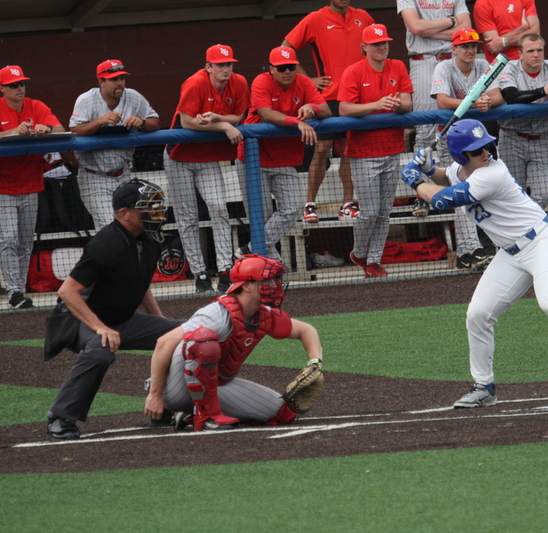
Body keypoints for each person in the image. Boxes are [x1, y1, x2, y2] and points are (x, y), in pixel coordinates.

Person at [400, 119, 548, 407]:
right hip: (511, 253)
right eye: (476, 149)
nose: (486, 151)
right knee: (478, 315)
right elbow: (450, 177)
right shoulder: (465, 169)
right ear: (461, 155)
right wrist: (430, 169)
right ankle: (484, 387)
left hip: (544, 241)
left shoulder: (492, 173)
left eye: (486, 144)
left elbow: (443, 199)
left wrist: (414, 179)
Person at [46, 179, 184, 440]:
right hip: (77, 320)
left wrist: (161, 323)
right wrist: (100, 327)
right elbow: (67, 292)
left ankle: (165, 405)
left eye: (157, 206)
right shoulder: (106, 243)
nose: (156, 212)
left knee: (187, 334)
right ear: (125, 213)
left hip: (120, 319)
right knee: (101, 349)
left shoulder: (151, 237)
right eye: (148, 207)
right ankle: (61, 416)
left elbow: (139, 283)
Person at [144, 254, 323, 431]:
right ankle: (206, 416)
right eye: (266, 280)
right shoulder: (216, 314)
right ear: (246, 285)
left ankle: (189, 412)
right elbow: (164, 342)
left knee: (283, 413)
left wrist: (315, 361)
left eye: (273, 280)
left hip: (215, 384)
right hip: (177, 388)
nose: (273, 285)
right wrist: (155, 394)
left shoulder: (264, 314)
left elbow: (306, 330)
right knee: (202, 341)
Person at [165, 44, 248, 293]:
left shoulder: (239, 82)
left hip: (208, 157)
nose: (226, 69)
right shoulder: (195, 83)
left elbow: (240, 116)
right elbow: (186, 121)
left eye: (229, 64)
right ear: (208, 67)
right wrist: (224, 126)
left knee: (219, 209)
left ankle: (225, 271)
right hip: (179, 155)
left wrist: (218, 119)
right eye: (220, 65)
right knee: (188, 217)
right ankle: (200, 274)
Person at [282, 0, 375, 223]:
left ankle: (347, 205)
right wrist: (306, 80)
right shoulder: (315, 18)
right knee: (322, 149)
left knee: (348, 151)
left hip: (355, 97)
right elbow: (285, 48)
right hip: (329, 97)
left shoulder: (364, 16)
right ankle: (309, 205)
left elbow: (375, 49)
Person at [235, 47, 331, 262]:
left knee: (295, 207)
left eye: (291, 67)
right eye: (281, 68)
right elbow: (266, 114)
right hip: (253, 157)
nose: (287, 71)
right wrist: (297, 122)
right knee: (261, 216)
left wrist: (311, 107)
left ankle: (251, 248)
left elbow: (327, 111)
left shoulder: (304, 83)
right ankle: (272, 267)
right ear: (272, 69)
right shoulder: (261, 81)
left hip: (284, 157)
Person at [339, 24, 413, 278]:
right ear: (364, 47)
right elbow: (345, 109)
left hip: (392, 147)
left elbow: (408, 103)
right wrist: (376, 104)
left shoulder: (398, 66)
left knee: (384, 212)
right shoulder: (354, 71)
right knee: (369, 211)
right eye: (376, 44)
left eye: (384, 43)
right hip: (363, 151)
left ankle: (373, 260)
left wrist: (396, 105)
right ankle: (359, 252)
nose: (381, 47)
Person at [430, 28, 501, 270]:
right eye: (465, 46)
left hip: (476, 141)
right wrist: (473, 102)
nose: (471, 50)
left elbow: (498, 96)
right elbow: (443, 100)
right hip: (450, 137)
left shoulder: (483, 65)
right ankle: (471, 248)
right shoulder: (444, 67)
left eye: (474, 46)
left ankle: (470, 251)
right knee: (460, 193)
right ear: (454, 49)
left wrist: (488, 101)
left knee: (474, 192)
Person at [489, 33, 548, 209]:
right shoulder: (510, 68)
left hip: (540, 139)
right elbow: (511, 96)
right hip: (512, 138)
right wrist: (544, 91)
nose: (536, 54)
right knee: (514, 195)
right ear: (521, 53)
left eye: (539, 50)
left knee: (545, 194)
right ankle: (520, 234)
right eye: (530, 51)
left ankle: (527, 227)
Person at [0, 65, 65, 309]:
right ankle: (14, 292)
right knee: (8, 239)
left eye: (22, 84)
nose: (19, 88)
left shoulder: (36, 106)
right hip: (3, 185)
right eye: (14, 85)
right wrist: (11, 132)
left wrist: (45, 129)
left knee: (25, 241)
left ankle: (20, 289)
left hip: (31, 182)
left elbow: (60, 130)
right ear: (2, 88)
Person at [397, 0, 471, 217]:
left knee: (454, 130)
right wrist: (450, 23)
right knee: (424, 130)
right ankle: (420, 195)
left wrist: (429, 31)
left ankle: (454, 188)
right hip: (423, 62)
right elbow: (416, 28)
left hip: (451, 60)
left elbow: (465, 30)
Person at [70, 59, 160, 229]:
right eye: (114, 79)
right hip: (94, 175)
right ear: (101, 82)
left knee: (129, 227)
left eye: (122, 78)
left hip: (123, 174)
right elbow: (75, 131)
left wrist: (141, 122)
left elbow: (155, 122)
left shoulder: (133, 96)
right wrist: (99, 122)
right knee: (111, 227)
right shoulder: (86, 100)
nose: (120, 83)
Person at [473, 0, 540, 65]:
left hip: (527, 64)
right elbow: (494, 45)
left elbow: (535, 34)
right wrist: (522, 28)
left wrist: (504, 41)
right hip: (500, 66)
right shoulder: (482, 4)